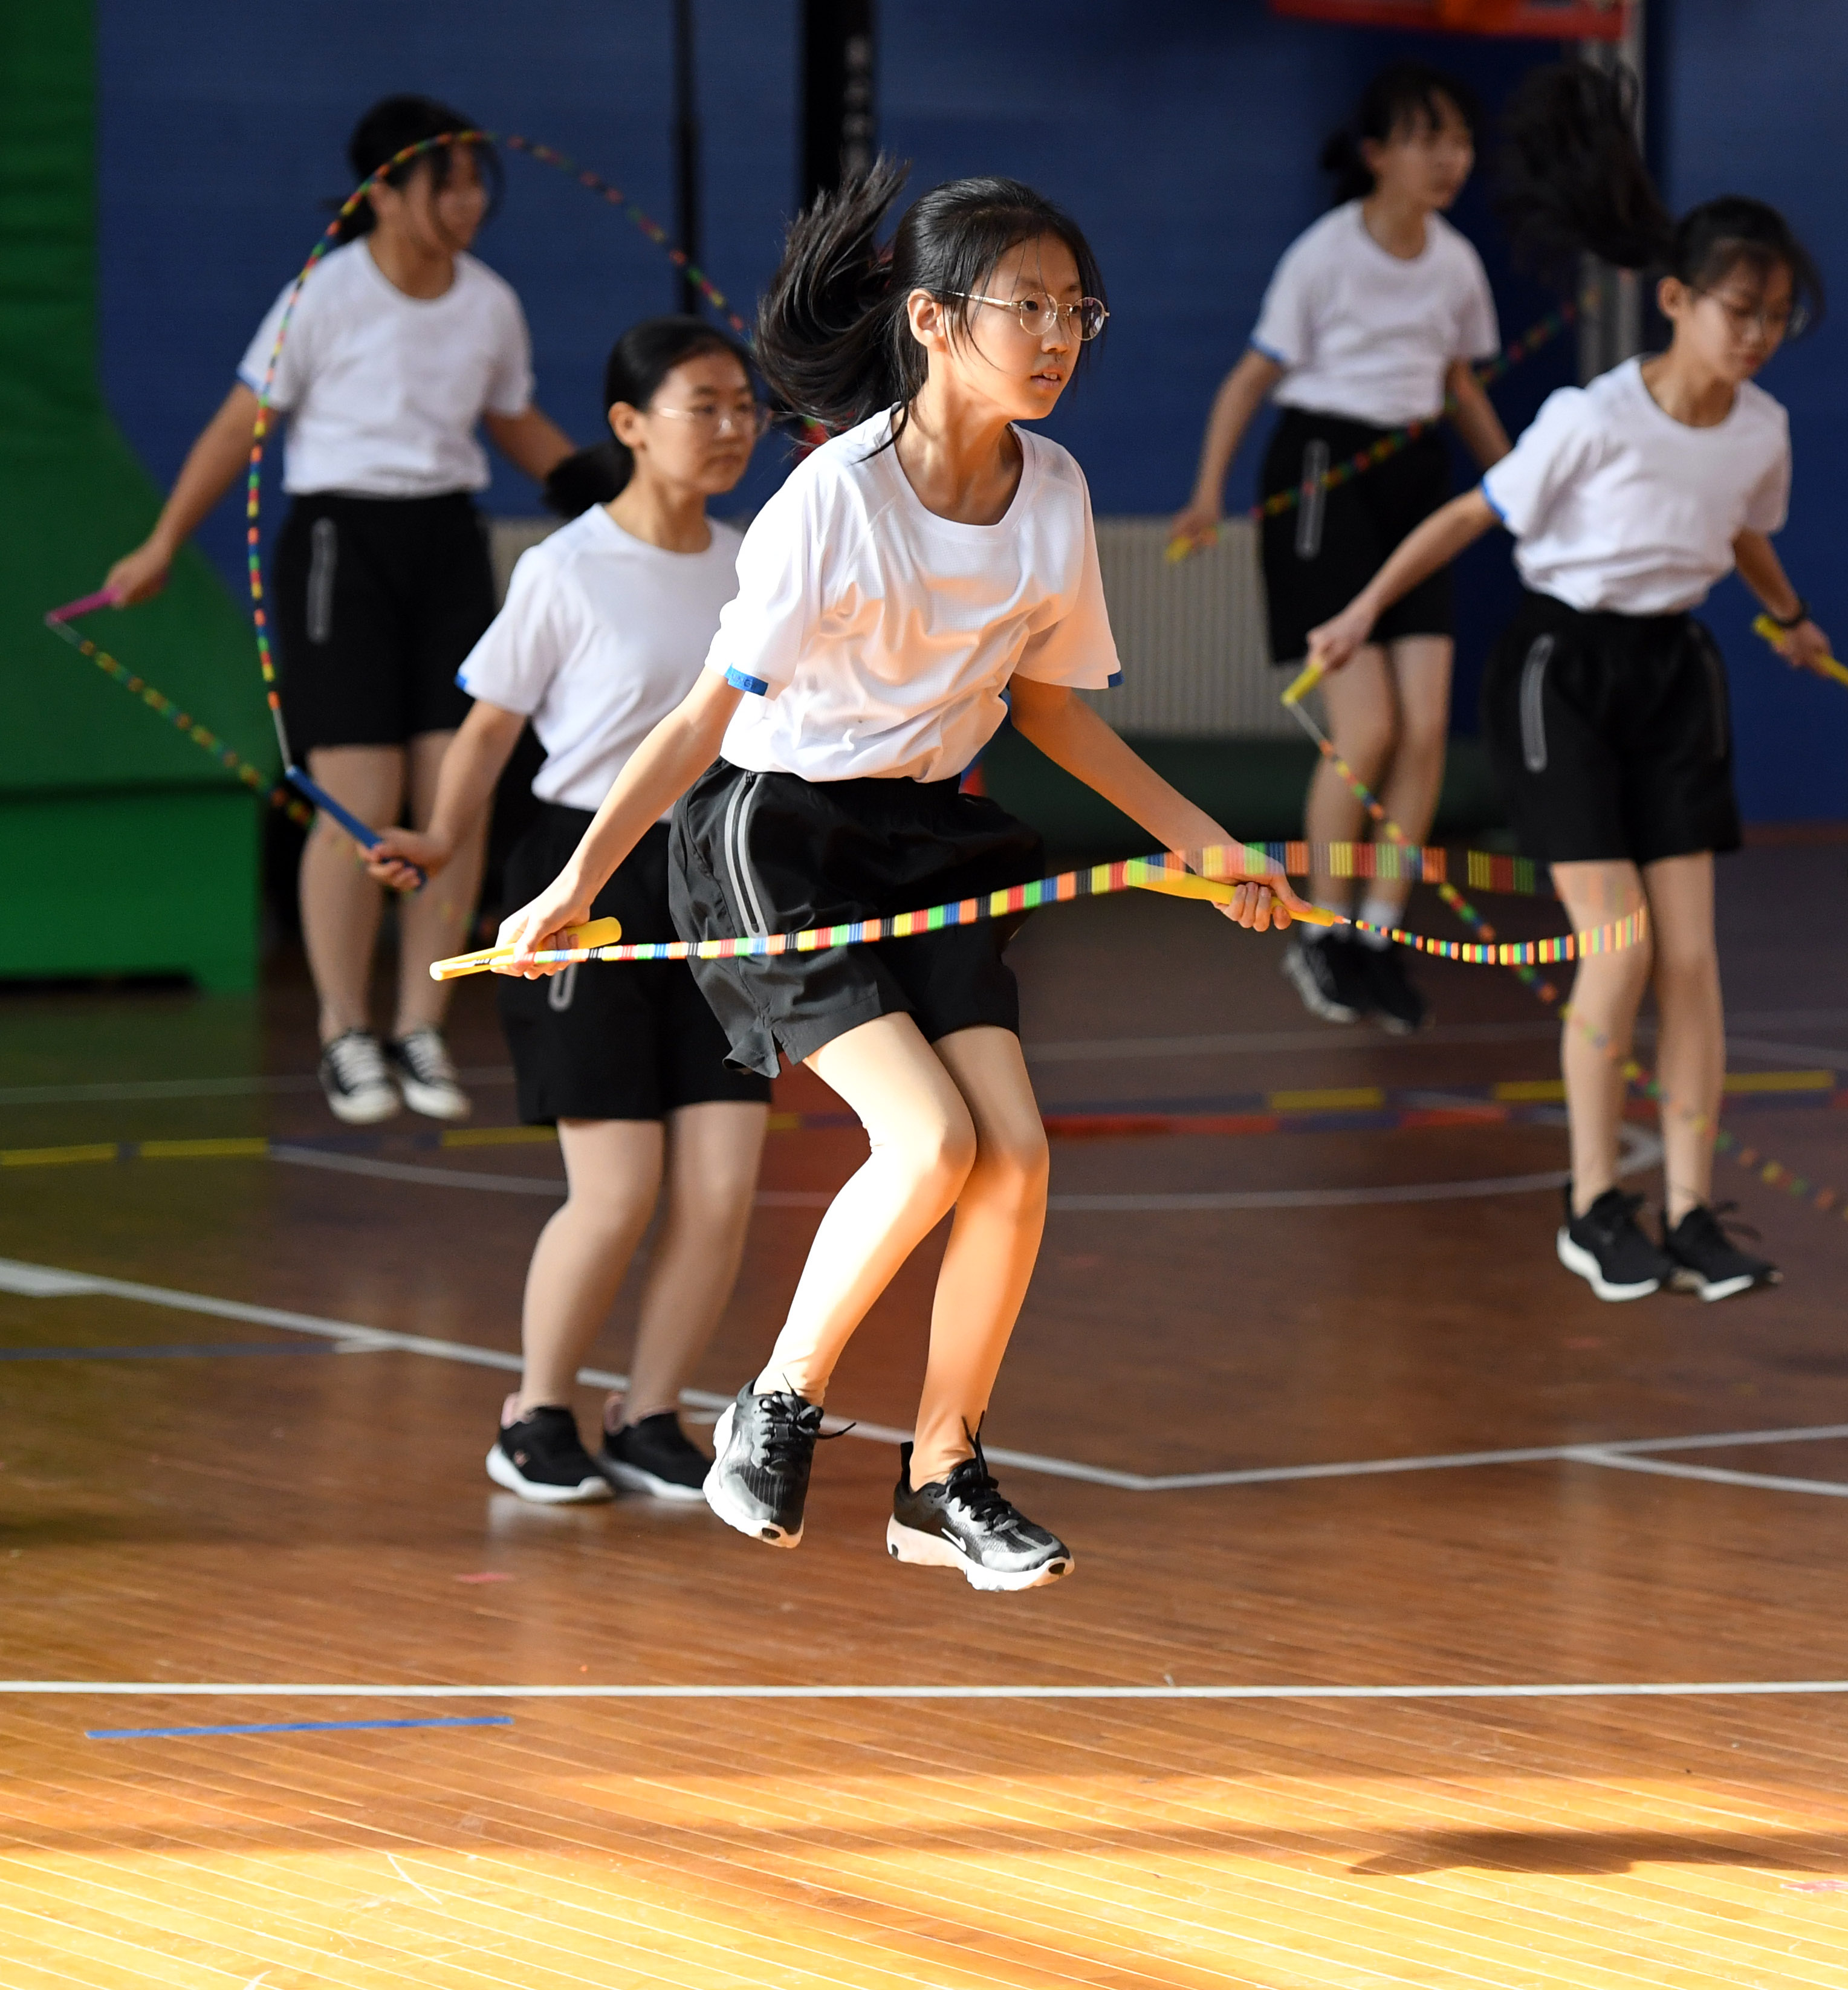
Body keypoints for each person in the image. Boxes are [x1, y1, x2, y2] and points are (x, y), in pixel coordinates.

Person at [494, 165, 1303, 1589]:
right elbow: (698, 718)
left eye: (1076, 310)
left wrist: (1201, 838)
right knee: (928, 1141)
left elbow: (1051, 708)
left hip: (930, 833)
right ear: (933, 320)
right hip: (774, 834)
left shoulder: (1053, 488)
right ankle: (776, 1403)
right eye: (1027, 307)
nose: (1058, 336)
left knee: (1018, 1159)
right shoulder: (831, 498)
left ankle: (942, 1473)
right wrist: (574, 882)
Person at [1303, 61, 1824, 1306]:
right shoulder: (1594, 417)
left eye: (1775, 317)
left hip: (1675, 672)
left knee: (1693, 958)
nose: (1753, 336)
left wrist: (1788, 615)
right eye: (1735, 310)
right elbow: (1467, 516)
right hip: (1559, 671)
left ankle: (1692, 1208)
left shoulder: (1764, 430)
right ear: (1676, 300)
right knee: (1625, 944)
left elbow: (1742, 527)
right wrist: (1364, 606)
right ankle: (1595, 1203)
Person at [102, 94, 575, 1122]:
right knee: (356, 793)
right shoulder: (323, 297)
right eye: (446, 182)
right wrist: (161, 545)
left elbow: (516, 421)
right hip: (337, 548)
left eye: (475, 183)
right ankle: (343, 1031)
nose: (469, 202)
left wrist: (610, 490)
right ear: (386, 192)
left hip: (446, 540)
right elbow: (239, 429)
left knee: (453, 789)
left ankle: (420, 1026)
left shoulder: (488, 302)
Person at [367, 318, 773, 1505]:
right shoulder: (565, 567)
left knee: (719, 1183)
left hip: (721, 878)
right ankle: (533, 1410)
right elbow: (490, 723)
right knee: (617, 1185)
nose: (734, 426)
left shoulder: (756, 563)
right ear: (631, 424)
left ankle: (651, 1412)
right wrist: (445, 836)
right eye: (705, 404)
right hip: (583, 880)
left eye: (745, 405)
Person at [1168, 62, 1512, 1034]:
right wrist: (1207, 493)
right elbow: (1248, 381)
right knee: (1368, 730)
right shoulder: (1324, 255)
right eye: (1427, 138)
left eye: (1460, 142)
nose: (1450, 160)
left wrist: (1527, 488)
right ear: (1377, 154)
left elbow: (1460, 386)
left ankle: (1377, 932)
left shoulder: (1455, 263)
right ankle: (1316, 930)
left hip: (1414, 478)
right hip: (1320, 476)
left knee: (1428, 728)